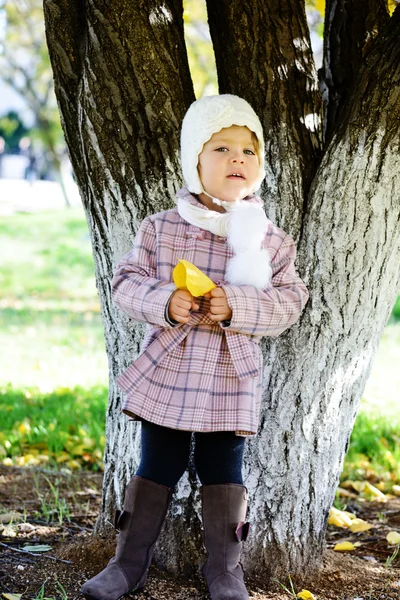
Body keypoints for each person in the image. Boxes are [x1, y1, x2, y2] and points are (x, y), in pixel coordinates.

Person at [81, 95, 309, 600]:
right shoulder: (161, 228)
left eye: (248, 150)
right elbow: (126, 283)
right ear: (194, 162)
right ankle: (128, 564)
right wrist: (166, 301)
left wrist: (237, 305)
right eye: (222, 148)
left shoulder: (270, 241)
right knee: (156, 461)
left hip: (231, 374)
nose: (237, 160)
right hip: (170, 367)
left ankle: (225, 572)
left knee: (224, 467)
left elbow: (291, 301)